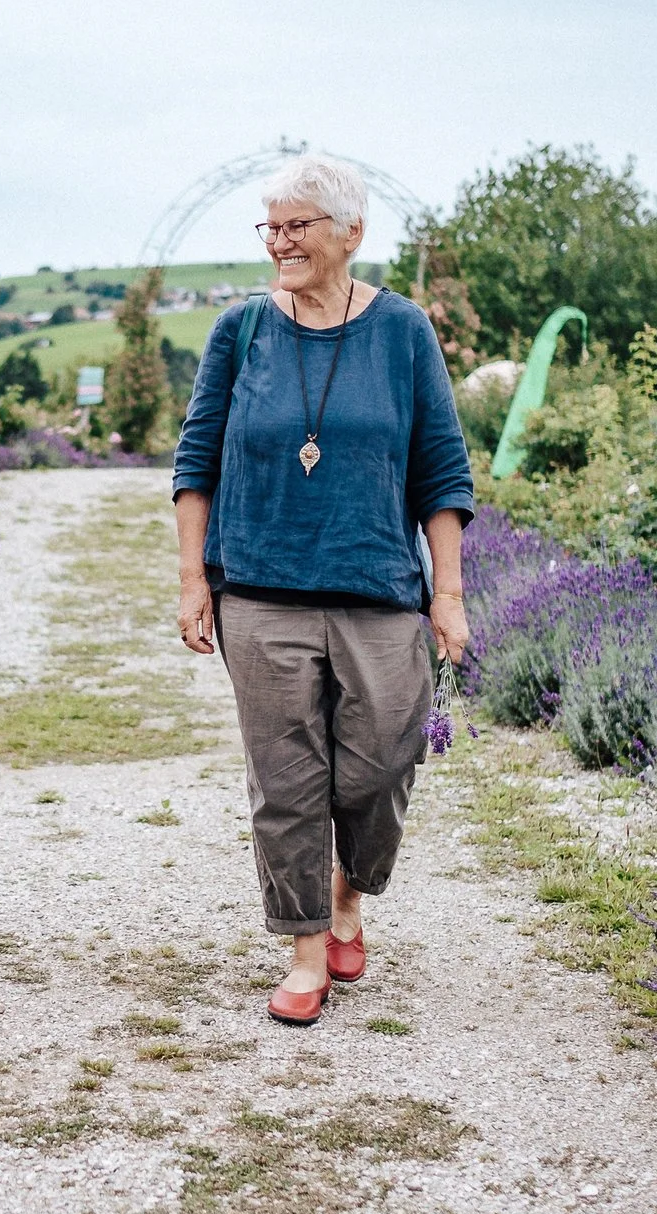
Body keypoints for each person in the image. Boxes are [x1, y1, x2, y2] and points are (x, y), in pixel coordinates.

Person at [170, 153, 474, 1025]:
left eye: (298, 224)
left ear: (352, 234)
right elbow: (196, 461)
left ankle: (348, 892)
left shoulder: (403, 331)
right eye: (271, 225)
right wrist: (194, 579)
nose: (280, 241)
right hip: (260, 590)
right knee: (286, 776)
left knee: (381, 762)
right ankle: (306, 949)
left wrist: (445, 593)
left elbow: (440, 471)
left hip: (378, 587)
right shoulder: (240, 332)